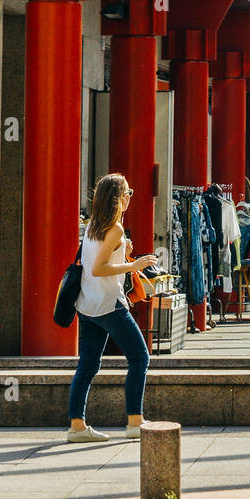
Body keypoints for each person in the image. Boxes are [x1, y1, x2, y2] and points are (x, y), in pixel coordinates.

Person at [68, 173, 155, 444]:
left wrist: (122, 250)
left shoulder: (94, 224)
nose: (130, 197)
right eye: (128, 193)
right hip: (108, 304)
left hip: (87, 303)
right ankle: (134, 421)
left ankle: (77, 426)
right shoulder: (115, 228)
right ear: (118, 198)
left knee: (88, 364)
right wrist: (133, 265)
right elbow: (98, 268)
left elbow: (96, 258)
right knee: (140, 358)